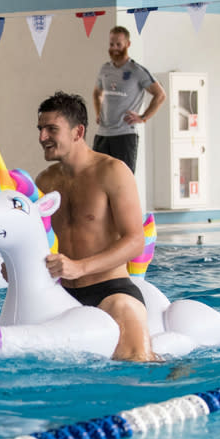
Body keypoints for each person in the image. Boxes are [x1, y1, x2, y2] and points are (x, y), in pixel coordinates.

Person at [35, 91, 158, 361]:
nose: (42, 137)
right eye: (41, 129)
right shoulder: (43, 182)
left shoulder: (112, 172)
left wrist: (81, 267)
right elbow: (39, 240)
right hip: (61, 294)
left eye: (51, 129)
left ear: (78, 132)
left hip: (110, 290)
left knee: (138, 360)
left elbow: (135, 241)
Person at [91, 25, 166, 173]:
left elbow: (160, 95)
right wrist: (98, 113)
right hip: (103, 134)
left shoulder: (137, 71)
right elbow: (96, 93)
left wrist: (143, 117)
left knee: (122, 179)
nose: (115, 48)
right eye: (112, 44)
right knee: (97, 176)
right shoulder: (105, 69)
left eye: (119, 44)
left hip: (124, 135)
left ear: (128, 44)